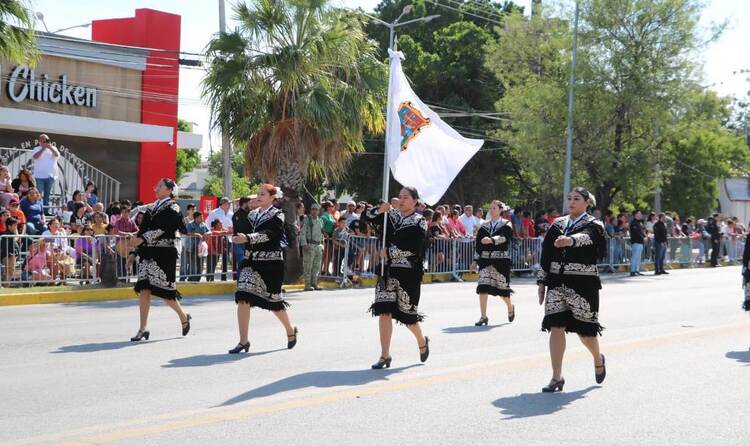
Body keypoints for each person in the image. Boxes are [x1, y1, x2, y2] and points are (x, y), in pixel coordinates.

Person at [537, 187, 606, 392]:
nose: (572, 202)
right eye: (569, 198)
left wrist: (571, 240)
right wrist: (542, 281)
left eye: (576, 198)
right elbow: (546, 254)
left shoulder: (595, 224)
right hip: (557, 281)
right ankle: (556, 377)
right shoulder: (558, 224)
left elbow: (588, 237)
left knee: (586, 333)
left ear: (587, 202)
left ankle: (597, 357)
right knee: (555, 326)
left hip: (583, 283)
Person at [364, 186, 430, 369]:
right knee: (384, 311)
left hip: (408, 273)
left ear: (415, 201)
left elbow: (416, 248)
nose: (401, 200)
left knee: (408, 316)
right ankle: (385, 355)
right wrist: (379, 210)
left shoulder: (420, 222)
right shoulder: (390, 217)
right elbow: (366, 219)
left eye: (406, 197)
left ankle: (422, 340)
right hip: (387, 271)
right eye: (400, 197)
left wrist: (390, 252)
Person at [229, 184, 297, 354]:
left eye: (262, 194)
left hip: (271, 263)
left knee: (274, 303)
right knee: (243, 296)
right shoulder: (251, 214)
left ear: (273, 197)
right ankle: (243, 341)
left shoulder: (278, 214)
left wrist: (248, 238)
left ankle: (290, 329)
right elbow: (240, 229)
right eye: (257, 194)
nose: (258, 197)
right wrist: (241, 234)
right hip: (250, 262)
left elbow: (270, 234)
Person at [129, 178, 191, 342]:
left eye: (161, 186)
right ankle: (143, 328)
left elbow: (164, 228)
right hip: (148, 253)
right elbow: (143, 229)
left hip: (165, 253)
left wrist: (142, 239)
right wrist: (135, 251)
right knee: (144, 290)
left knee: (166, 293)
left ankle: (183, 316)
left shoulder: (173, 207)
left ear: (170, 190)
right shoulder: (151, 208)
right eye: (157, 185)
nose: (156, 188)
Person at [472, 200, 515, 326]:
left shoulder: (506, 224)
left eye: (494, 208)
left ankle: (510, 306)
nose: (491, 210)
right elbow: (478, 245)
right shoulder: (484, 226)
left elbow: (505, 238)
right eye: (490, 208)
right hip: (485, 260)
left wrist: (491, 240)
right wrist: (475, 261)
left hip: (501, 260)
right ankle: (483, 316)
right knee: (482, 288)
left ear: (500, 210)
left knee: (502, 290)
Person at [31, 134, 60, 215]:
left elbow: (57, 155)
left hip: (50, 176)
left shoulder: (53, 148)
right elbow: (35, 157)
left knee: (47, 195)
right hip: (39, 176)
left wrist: (50, 147)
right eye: (42, 140)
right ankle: (38, 210)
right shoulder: (36, 149)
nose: (44, 142)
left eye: (46, 140)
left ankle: (46, 212)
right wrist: (43, 149)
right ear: (39, 141)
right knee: (38, 194)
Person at [300, 203, 324, 291]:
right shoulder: (307, 219)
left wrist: (322, 245)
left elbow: (321, 233)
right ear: (311, 210)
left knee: (316, 266)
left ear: (318, 211)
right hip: (309, 244)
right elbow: (302, 232)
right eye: (313, 209)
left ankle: (314, 283)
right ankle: (307, 285)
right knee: (308, 266)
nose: (315, 211)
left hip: (318, 245)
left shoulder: (320, 220)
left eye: (316, 209)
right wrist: (304, 244)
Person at [184, 211, 209, 281]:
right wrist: (197, 234)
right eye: (200, 217)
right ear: (196, 218)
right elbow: (187, 232)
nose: (202, 218)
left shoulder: (203, 224)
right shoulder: (190, 224)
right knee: (192, 263)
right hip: (192, 247)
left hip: (201, 248)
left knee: (200, 264)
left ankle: (198, 278)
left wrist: (207, 233)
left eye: (202, 217)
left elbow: (209, 231)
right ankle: (190, 278)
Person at [1, 217, 20, 286]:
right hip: (7, 255)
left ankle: (6, 286)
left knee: (11, 271)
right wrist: (16, 233)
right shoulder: (6, 234)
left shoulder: (12, 233)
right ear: (9, 226)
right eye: (14, 225)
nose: (16, 227)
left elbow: (17, 240)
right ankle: (5, 286)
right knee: (9, 271)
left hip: (12, 254)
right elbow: (15, 239)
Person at [629, 210, 645, 276]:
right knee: (635, 257)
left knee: (638, 257)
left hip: (640, 242)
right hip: (636, 241)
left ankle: (637, 270)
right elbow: (636, 233)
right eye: (639, 213)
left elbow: (641, 232)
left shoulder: (639, 223)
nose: (640, 214)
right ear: (636, 214)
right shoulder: (633, 222)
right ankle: (632, 271)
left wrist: (645, 236)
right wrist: (643, 237)